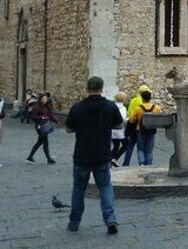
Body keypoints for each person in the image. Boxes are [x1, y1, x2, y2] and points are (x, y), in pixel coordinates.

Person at [64, 76, 123, 234]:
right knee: (105, 187)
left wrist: (82, 128)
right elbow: (119, 124)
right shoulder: (110, 106)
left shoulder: (78, 107)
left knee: (78, 188)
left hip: (82, 154)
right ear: (102, 88)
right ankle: (110, 219)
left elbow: (68, 128)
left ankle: (74, 222)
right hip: (102, 154)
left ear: (87, 88)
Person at [128, 90, 161, 166]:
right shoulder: (156, 108)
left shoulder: (138, 108)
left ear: (142, 98)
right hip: (152, 129)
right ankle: (149, 165)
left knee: (140, 149)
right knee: (149, 150)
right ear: (150, 98)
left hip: (140, 130)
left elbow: (131, 120)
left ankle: (142, 164)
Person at [122, 84, 151, 166]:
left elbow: (129, 113)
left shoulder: (133, 100)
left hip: (132, 124)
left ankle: (126, 163)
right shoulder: (143, 101)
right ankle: (145, 164)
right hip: (142, 126)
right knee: (144, 148)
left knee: (130, 146)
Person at [26, 92, 58, 164]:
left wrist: (56, 120)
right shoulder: (36, 107)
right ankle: (48, 159)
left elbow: (50, 115)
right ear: (40, 99)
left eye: (45, 99)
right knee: (45, 142)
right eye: (43, 99)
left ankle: (30, 157)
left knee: (40, 142)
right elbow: (33, 117)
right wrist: (41, 117)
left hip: (45, 126)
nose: (44, 100)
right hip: (39, 126)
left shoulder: (46, 106)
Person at [110, 92, 129, 167]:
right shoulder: (122, 108)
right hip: (120, 130)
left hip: (112, 129)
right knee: (125, 144)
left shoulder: (112, 106)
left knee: (116, 146)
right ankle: (114, 158)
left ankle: (110, 160)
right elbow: (123, 119)